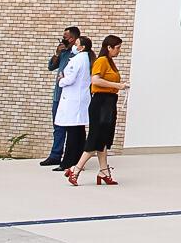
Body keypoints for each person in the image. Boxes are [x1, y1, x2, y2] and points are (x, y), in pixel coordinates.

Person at [66, 35, 125, 186]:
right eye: (117, 47)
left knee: (103, 138)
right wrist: (117, 85)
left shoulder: (110, 62)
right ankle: (76, 169)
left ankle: (104, 171)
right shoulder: (101, 61)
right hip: (101, 102)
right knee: (96, 137)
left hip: (109, 101)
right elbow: (95, 80)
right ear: (109, 47)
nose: (119, 50)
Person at [40, 26, 82, 167]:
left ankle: (72, 157)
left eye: (66, 36)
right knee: (57, 126)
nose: (63, 39)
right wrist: (57, 53)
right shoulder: (63, 53)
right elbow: (51, 66)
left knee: (72, 129)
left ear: (74, 38)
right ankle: (55, 155)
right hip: (59, 95)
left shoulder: (79, 54)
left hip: (71, 97)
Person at [51, 35, 92, 170]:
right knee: (79, 131)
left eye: (77, 43)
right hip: (79, 98)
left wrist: (61, 80)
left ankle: (68, 162)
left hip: (72, 99)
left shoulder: (78, 59)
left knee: (72, 131)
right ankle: (77, 160)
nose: (74, 45)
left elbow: (70, 79)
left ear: (82, 47)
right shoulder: (85, 58)